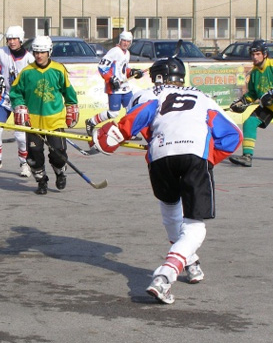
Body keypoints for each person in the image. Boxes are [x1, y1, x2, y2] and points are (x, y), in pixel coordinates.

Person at [92, 57, 242, 304]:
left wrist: (115, 134)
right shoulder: (203, 97)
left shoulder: (150, 93)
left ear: (158, 77)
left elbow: (140, 116)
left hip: (160, 156)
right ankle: (166, 274)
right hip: (194, 154)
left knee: (170, 212)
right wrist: (208, 157)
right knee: (195, 226)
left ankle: (191, 262)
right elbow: (231, 136)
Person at [9, 36, 79, 195]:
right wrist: (19, 105)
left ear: (49, 52)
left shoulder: (58, 69)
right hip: (33, 123)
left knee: (59, 155)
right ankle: (41, 181)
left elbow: (68, 92)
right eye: (36, 52)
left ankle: (60, 172)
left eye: (42, 52)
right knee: (34, 156)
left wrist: (72, 106)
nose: (39, 56)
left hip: (55, 120)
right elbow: (15, 92)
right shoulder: (27, 72)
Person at [0, 26, 35, 177]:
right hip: (3, 98)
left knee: (21, 135)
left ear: (21, 40)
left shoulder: (30, 59)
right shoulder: (0, 53)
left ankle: (24, 163)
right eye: (9, 39)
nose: (11, 42)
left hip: (21, 101)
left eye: (14, 39)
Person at [85, 30, 144, 137]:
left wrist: (133, 72)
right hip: (114, 88)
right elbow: (102, 66)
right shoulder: (115, 51)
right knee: (114, 113)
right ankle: (91, 122)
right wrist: (111, 79)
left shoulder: (127, 53)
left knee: (131, 109)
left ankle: (128, 132)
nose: (126, 43)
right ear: (120, 40)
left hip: (125, 87)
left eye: (128, 41)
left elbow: (123, 69)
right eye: (124, 41)